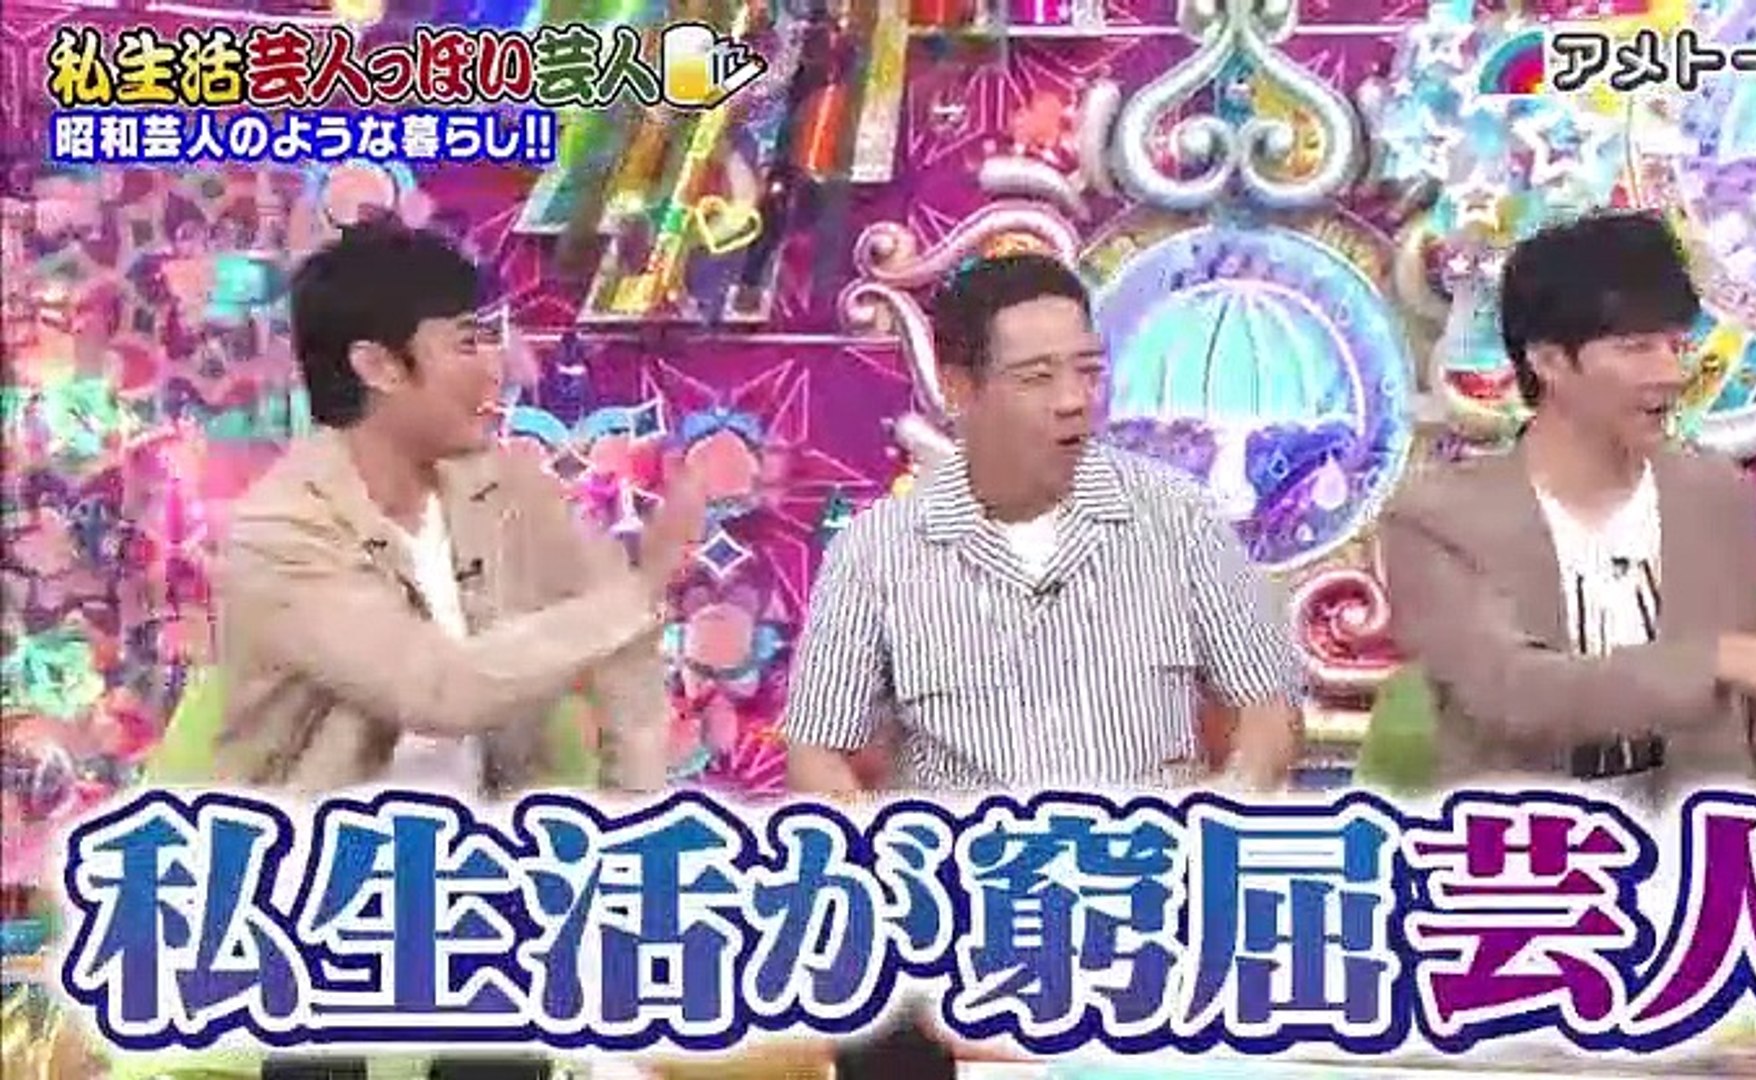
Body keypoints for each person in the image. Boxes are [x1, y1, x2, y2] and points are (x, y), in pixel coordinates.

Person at [214, 223, 702, 1080]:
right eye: (467, 344)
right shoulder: (279, 529)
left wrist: (629, 813)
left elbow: (620, 640)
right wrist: (638, 591)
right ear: (377, 365)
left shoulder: (507, 486)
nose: (498, 369)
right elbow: (438, 690)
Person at [1379, 210, 1756, 858]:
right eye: (1636, 349)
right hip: (1524, 869)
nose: (1670, 373)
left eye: (1675, 345)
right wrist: (1716, 659)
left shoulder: (1717, 497)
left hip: (1702, 857)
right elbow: (1511, 691)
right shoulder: (1436, 519)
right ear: (1547, 359)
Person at [781, 251, 1305, 797]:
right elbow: (818, 750)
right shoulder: (875, 550)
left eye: (1088, 371)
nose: (1073, 400)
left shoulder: (1183, 520)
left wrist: (1227, 802)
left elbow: (1268, 708)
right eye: (1037, 377)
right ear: (958, 388)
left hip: (1146, 842)